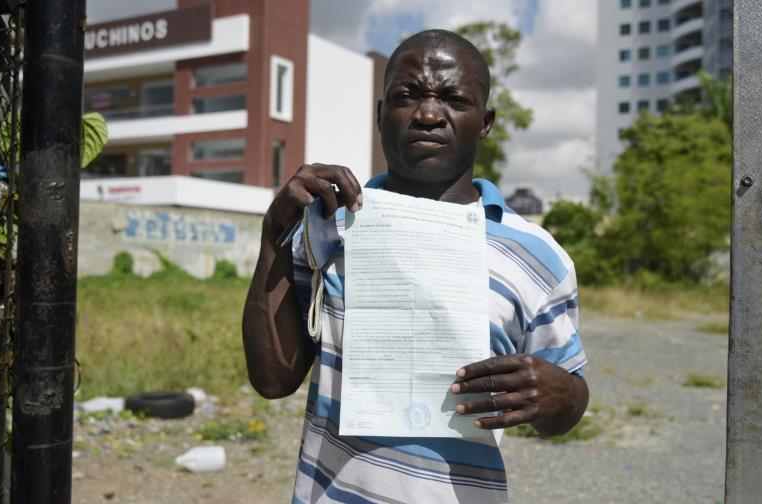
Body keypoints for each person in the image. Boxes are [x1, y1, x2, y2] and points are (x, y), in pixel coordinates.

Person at [242, 29, 588, 503]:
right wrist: (272, 236)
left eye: (453, 98)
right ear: (381, 114)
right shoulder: (332, 226)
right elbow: (273, 380)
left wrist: (565, 397)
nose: (428, 114)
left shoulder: (536, 256)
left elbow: (563, 406)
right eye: (408, 96)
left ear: (484, 121)